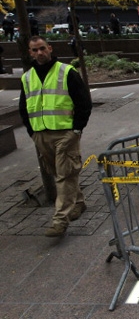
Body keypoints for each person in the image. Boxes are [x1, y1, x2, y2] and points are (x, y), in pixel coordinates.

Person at [18, 36, 92, 237]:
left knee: (64, 176)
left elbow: (84, 102)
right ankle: (78, 202)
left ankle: (60, 220)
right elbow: (24, 108)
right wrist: (32, 133)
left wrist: (76, 130)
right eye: (34, 50)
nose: (39, 53)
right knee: (61, 173)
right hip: (41, 135)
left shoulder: (66, 71)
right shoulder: (27, 77)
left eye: (42, 48)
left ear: (50, 48)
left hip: (64, 134)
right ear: (30, 52)